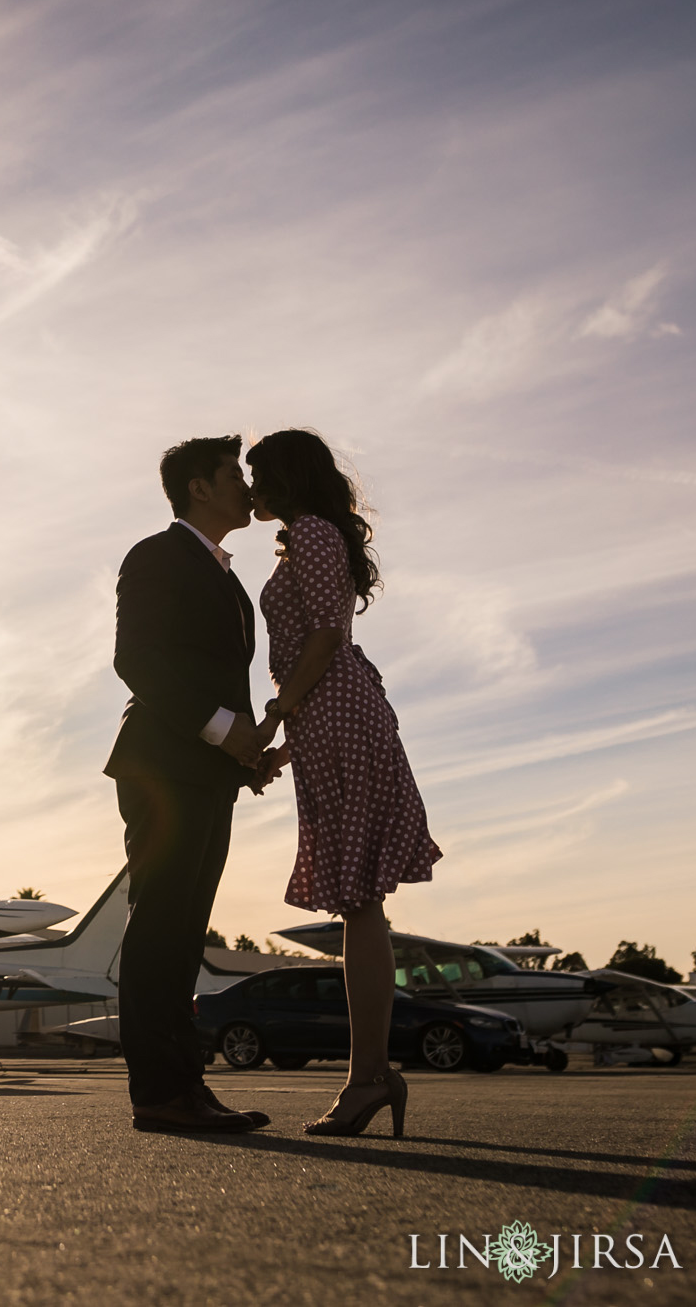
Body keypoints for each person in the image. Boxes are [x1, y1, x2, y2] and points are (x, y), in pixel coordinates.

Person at [245, 429, 441, 1138]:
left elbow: (327, 638)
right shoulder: (308, 538)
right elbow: (318, 660)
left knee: (360, 902)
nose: (251, 487)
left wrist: (273, 717)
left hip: (340, 719)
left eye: (258, 474)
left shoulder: (316, 534)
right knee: (358, 905)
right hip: (328, 724)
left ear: (287, 477)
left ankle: (367, 1078)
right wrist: (286, 746)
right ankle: (371, 1075)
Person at [105, 436, 277, 1134]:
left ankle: (186, 1085)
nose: (245, 485)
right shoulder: (155, 556)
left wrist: (243, 753)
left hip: (206, 772)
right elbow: (136, 659)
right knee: (161, 926)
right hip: (160, 767)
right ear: (199, 487)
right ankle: (158, 1090)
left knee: (184, 932)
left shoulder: (227, 576)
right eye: (233, 473)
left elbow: (212, 679)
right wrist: (220, 729)